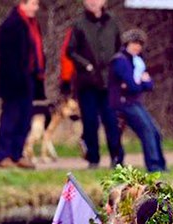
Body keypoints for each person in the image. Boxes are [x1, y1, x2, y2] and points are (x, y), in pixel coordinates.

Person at [66, 0, 124, 169]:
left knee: (111, 121)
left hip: (109, 82)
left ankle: (117, 158)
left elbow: (120, 49)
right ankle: (93, 159)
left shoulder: (112, 22)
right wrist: (86, 65)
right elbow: (71, 51)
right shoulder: (79, 24)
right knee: (90, 122)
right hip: (87, 82)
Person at [0, 0, 44, 170]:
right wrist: (16, 77)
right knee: (10, 118)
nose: (36, 8)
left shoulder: (32, 24)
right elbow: (7, 56)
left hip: (28, 78)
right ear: (23, 4)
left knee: (24, 119)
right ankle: (4, 155)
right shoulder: (12, 24)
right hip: (13, 80)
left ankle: (16, 154)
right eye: (33, 4)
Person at [109, 29, 166, 173]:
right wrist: (140, 82)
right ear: (127, 43)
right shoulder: (120, 61)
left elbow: (149, 85)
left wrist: (139, 83)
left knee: (155, 132)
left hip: (134, 102)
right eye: (134, 43)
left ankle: (161, 165)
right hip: (123, 103)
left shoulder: (137, 61)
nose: (137, 47)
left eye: (140, 44)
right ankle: (153, 166)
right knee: (146, 131)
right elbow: (133, 86)